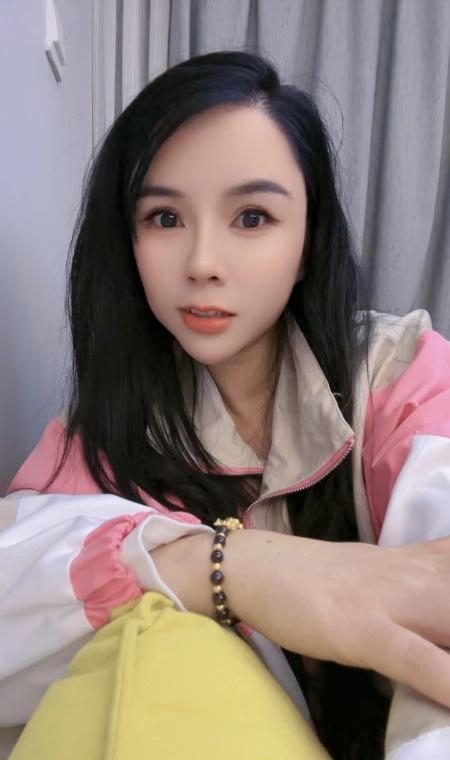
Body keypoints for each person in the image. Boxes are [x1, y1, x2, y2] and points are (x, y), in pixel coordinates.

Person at [1, 49, 450, 760]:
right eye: (164, 217)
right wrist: (231, 569)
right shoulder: (104, 435)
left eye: (251, 216)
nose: (203, 262)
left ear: (308, 242)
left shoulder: (399, 375)